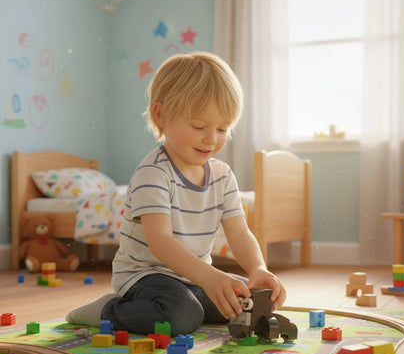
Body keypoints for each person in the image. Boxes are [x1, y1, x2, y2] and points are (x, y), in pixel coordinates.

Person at [66, 52, 286, 336]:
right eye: (199, 126)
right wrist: (209, 277)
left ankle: (197, 298)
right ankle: (107, 310)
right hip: (144, 275)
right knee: (182, 316)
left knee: (243, 299)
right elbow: (161, 242)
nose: (211, 138)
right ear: (161, 115)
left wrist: (258, 268)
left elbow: (239, 233)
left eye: (222, 128)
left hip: (191, 278)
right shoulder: (153, 173)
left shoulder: (222, 175)